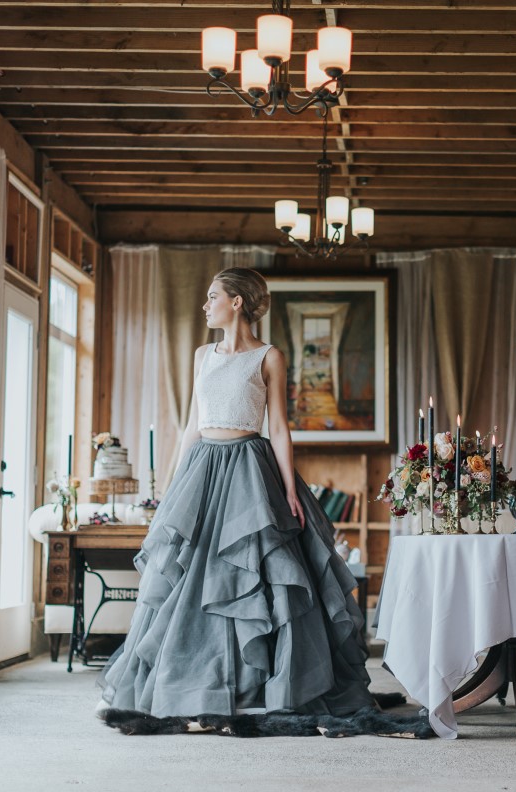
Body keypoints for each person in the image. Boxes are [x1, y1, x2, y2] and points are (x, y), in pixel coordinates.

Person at [97, 267, 375, 718]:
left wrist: (288, 490)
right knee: (192, 577)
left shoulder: (269, 356)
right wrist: (173, 487)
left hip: (250, 469)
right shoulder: (201, 354)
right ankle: (192, 683)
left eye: (213, 296)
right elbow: (192, 425)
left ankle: (256, 686)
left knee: (257, 578)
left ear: (237, 302)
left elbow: (280, 428)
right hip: (203, 469)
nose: (206, 305)